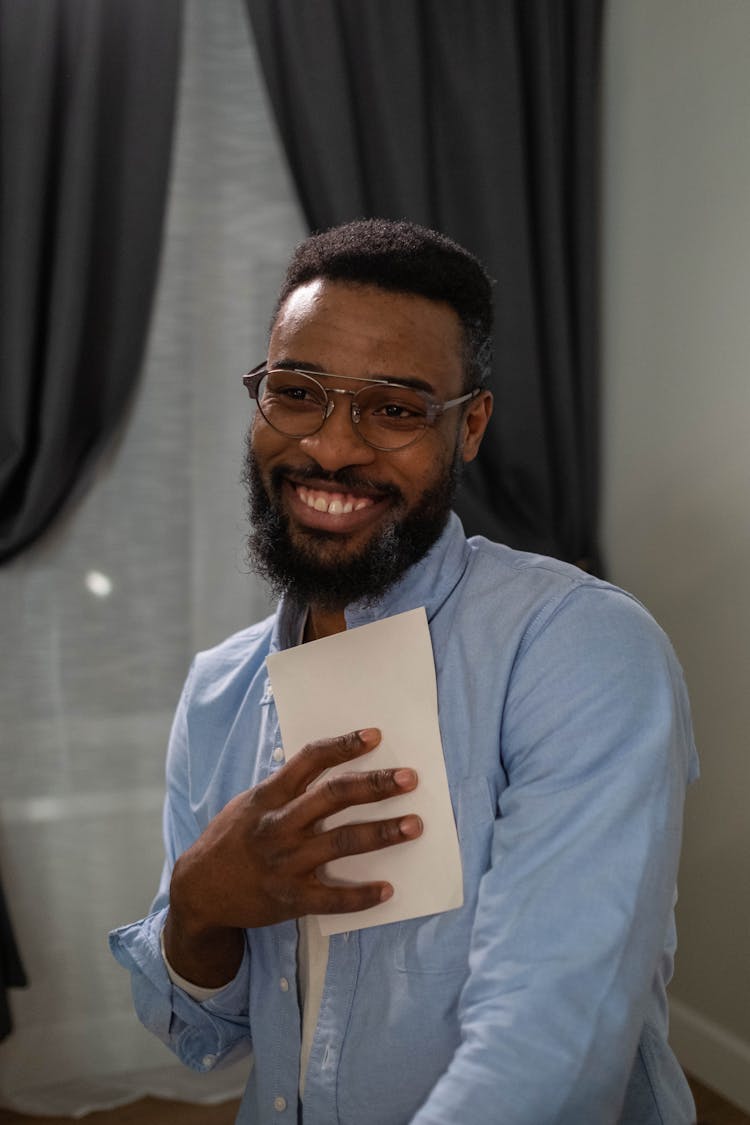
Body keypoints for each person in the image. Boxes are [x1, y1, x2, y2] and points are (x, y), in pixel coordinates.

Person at [110, 219, 698, 1124]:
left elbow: (551, 1041)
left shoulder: (580, 649)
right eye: (297, 391)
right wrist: (197, 904)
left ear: (470, 427)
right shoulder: (221, 689)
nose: (333, 448)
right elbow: (206, 1031)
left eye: (394, 409)